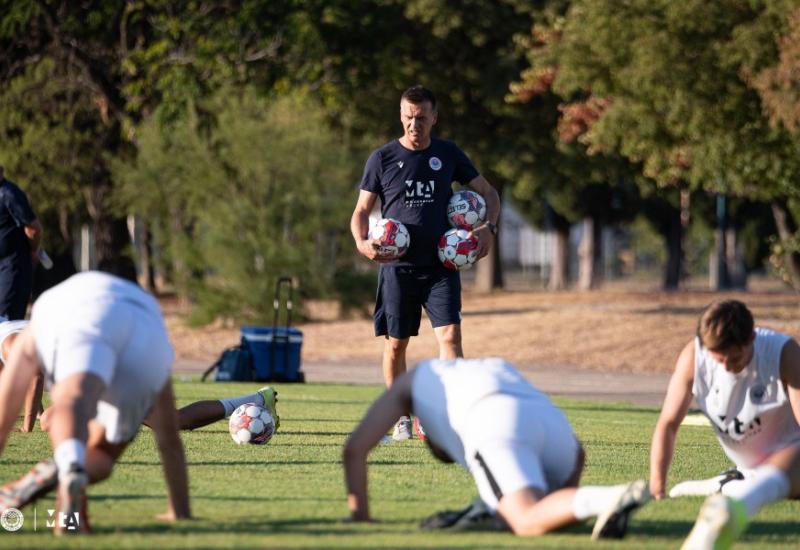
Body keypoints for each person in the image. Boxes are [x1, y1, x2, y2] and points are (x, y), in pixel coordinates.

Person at [343, 357, 651, 538]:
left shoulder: (412, 381)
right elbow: (576, 454)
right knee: (547, 510)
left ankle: (610, 496)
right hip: (555, 427)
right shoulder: (481, 365)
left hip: (493, 422)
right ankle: (491, 509)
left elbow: (355, 448)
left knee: (525, 519)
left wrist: (360, 517)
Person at [350, 85, 501, 441]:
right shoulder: (382, 158)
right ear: (400, 115)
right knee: (396, 344)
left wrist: (488, 228)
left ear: (434, 117)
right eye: (407, 117)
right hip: (397, 266)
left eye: (420, 117)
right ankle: (400, 416)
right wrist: (362, 243)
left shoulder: (448, 153)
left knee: (450, 336)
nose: (413, 124)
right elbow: (360, 211)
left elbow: (489, 193)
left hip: (442, 264)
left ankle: (452, 415)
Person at [0, 271, 191, 534]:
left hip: (67, 311)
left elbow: (3, 422)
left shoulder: (24, 333)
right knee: (102, 453)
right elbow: (169, 439)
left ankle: (66, 463)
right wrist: (179, 511)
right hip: (144, 328)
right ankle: (65, 473)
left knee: (72, 397)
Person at [650, 300, 800, 549]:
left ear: (751, 338)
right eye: (719, 360)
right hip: (753, 467)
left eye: (735, 358)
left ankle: (731, 494)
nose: (727, 367)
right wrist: (657, 487)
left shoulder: (783, 352)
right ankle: (734, 493)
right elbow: (668, 423)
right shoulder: (694, 357)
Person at [0, 165, 43, 320]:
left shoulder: (9, 193)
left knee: (6, 323)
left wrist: (33, 251)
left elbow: (33, 229)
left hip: (13, 268)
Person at [0, 317, 42, 432]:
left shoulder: (8, 341)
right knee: (47, 419)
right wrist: (39, 412)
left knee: (49, 421)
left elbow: (35, 377)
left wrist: (26, 428)